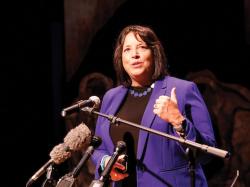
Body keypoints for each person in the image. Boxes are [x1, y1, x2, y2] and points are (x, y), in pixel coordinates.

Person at [91, 25, 216, 187]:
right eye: (127, 50)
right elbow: (98, 148)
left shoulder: (183, 90)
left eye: (141, 47)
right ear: (121, 58)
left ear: (154, 53)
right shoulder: (111, 97)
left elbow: (207, 153)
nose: (134, 55)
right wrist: (106, 162)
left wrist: (179, 121)